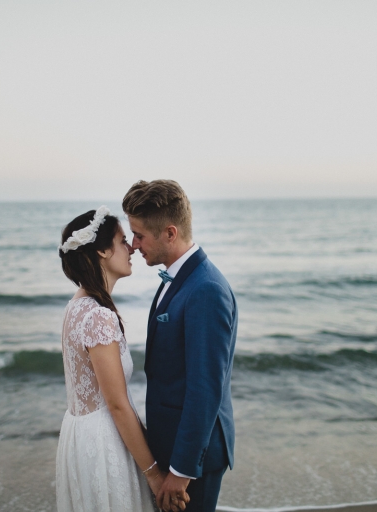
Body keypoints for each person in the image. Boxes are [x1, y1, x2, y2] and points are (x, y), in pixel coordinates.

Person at [56, 206, 188, 512]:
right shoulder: (99, 316)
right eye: (121, 241)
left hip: (78, 436)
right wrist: (154, 476)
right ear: (102, 251)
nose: (131, 247)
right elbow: (116, 403)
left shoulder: (75, 307)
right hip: (104, 444)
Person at [122, 180, 237, 512]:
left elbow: (205, 387)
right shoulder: (181, 277)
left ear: (170, 233)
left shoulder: (205, 290)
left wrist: (181, 471)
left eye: (140, 235)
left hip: (190, 459)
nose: (133, 244)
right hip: (172, 445)